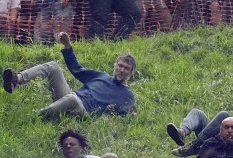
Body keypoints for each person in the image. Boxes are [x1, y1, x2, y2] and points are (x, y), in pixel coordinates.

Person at [3, 32, 135, 121]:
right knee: (53, 66)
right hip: (70, 96)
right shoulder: (102, 76)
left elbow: (128, 116)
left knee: (73, 99)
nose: (122, 70)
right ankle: (16, 79)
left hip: (84, 111)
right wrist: (67, 45)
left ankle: (34, 117)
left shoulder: (126, 94)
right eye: (120, 65)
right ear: (115, 65)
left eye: (126, 68)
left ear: (131, 73)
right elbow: (77, 69)